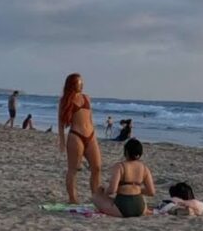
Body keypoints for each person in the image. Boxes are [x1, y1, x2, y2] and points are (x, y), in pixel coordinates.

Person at [58, 74, 102, 204]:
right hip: (76, 135)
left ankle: (96, 197)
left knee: (97, 167)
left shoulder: (86, 97)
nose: (82, 85)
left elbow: (90, 118)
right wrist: (62, 141)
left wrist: (94, 134)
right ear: (73, 84)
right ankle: (73, 199)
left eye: (82, 82)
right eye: (79, 82)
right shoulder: (65, 100)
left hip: (91, 135)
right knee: (73, 169)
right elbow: (60, 123)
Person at [93, 138, 156, 218]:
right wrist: (137, 189)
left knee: (96, 197)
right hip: (140, 207)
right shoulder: (144, 168)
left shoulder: (120, 167)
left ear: (126, 152)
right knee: (141, 198)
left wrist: (104, 190)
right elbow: (151, 192)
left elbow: (112, 190)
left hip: (123, 207)